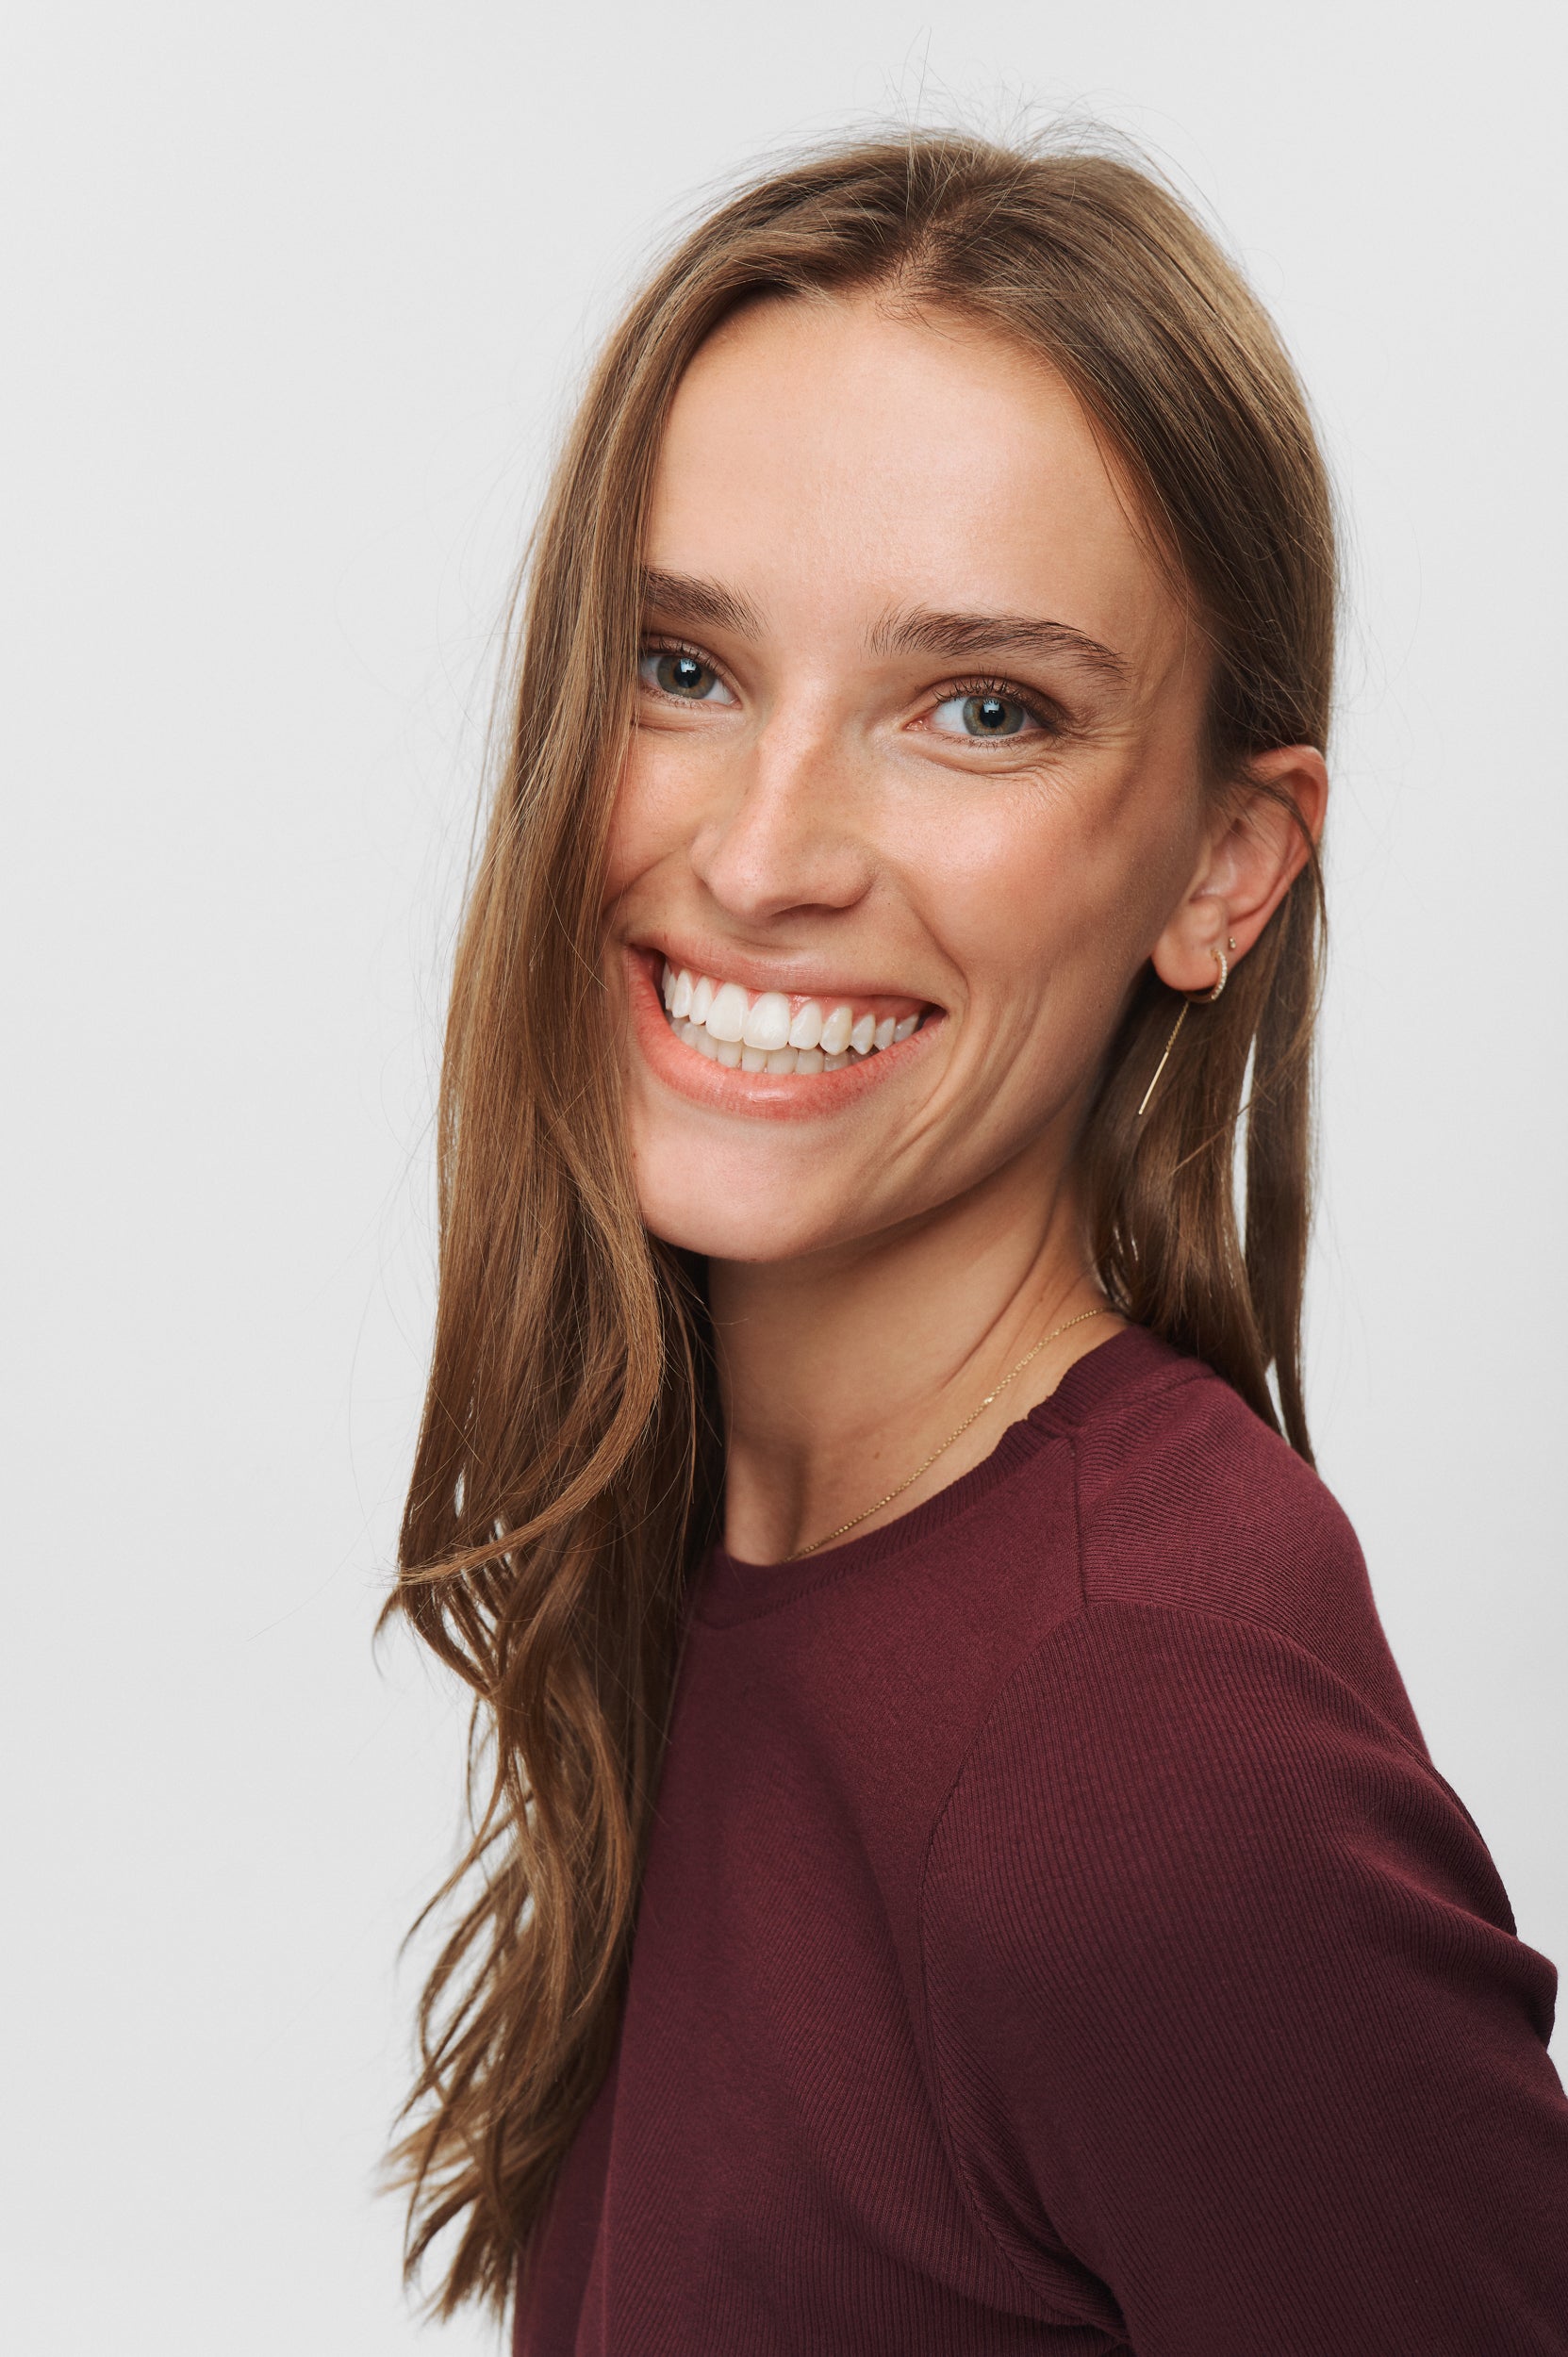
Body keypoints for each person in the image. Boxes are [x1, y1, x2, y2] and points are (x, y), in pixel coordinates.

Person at [384, 132, 1568, 2353]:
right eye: (681, 664)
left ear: (1225, 864)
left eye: (982, 708)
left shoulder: (1138, 1752)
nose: (763, 851)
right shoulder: (738, 1535)